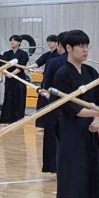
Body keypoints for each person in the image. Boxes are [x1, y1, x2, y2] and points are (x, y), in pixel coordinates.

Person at [51, 29, 99, 198]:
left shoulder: (91, 73)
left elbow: (98, 104)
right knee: (75, 179)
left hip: (90, 132)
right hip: (70, 132)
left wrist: (98, 120)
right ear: (68, 48)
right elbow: (70, 108)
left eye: (87, 46)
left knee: (91, 177)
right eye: (81, 46)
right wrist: (96, 113)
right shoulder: (62, 74)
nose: (85, 50)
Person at [37, 34, 68, 174]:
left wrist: (43, 91)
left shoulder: (54, 63)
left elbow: (46, 87)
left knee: (54, 137)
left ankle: (56, 167)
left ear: (60, 45)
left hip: (56, 107)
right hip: (76, 109)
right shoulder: (85, 67)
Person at [0, 35, 30, 124]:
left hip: (19, 79)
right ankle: (7, 119)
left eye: (14, 40)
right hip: (9, 80)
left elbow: (21, 66)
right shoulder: (6, 53)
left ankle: (18, 119)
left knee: (19, 98)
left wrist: (12, 74)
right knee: (8, 98)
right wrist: (5, 73)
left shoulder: (23, 54)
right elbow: (3, 66)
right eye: (11, 40)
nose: (12, 42)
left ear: (19, 42)